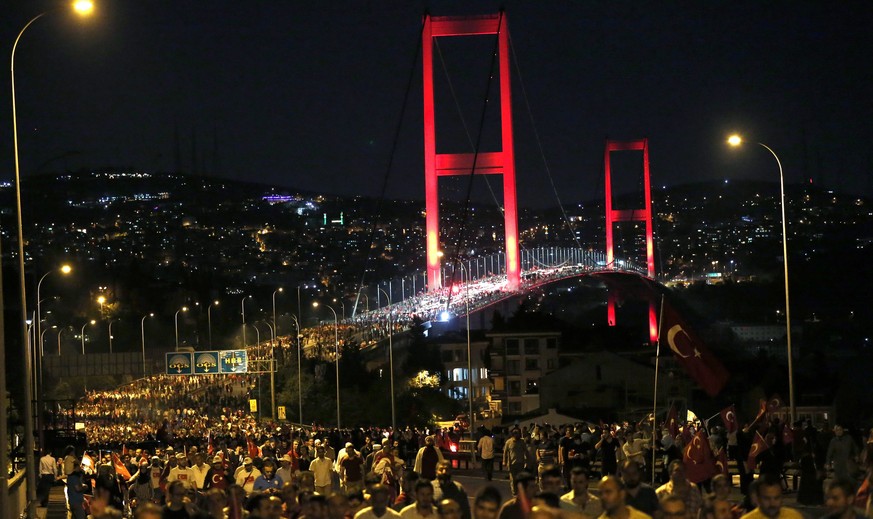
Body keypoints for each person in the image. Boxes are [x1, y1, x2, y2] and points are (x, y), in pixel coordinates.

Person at [738, 473, 802, 519]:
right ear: (758, 499)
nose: (772, 503)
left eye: (776, 498)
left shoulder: (794, 516)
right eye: (767, 498)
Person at [503, 429, 533, 496]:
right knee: (513, 479)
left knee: (520, 478)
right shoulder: (508, 442)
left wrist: (528, 461)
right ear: (513, 435)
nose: (519, 435)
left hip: (520, 463)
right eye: (517, 434)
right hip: (512, 464)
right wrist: (504, 461)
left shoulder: (522, 442)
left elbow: (526, 452)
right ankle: (514, 493)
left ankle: (520, 492)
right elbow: (505, 452)